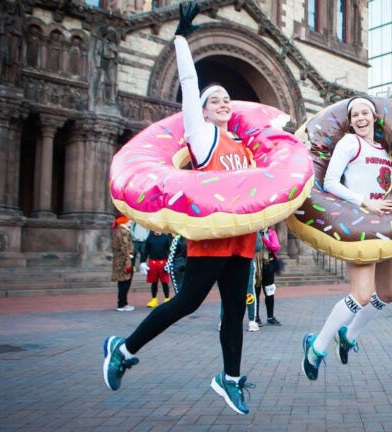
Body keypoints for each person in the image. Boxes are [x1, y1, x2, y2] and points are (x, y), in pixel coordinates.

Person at [103, 2, 257, 415]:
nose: (223, 102)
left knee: (234, 311)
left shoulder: (245, 147)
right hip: (211, 237)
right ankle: (123, 349)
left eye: (227, 99)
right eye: (215, 100)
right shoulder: (202, 138)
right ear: (203, 111)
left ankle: (230, 379)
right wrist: (181, 39)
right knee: (187, 302)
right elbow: (189, 83)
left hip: (242, 240)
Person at [301, 95, 392, 381]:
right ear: (351, 121)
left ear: (374, 117)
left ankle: (348, 336)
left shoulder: (386, 150)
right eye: (355, 115)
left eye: (365, 113)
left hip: (386, 226)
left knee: (387, 294)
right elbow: (330, 182)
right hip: (359, 224)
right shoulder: (349, 143)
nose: (360, 118)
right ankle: (316, 347)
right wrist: (364, 202)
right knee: (362, 294)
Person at [255, 226, 284, 326]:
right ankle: (255, 317)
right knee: (256, 293)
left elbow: (275, 247)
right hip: (256, 266)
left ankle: (270, 317)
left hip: (268, 266)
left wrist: (264, 239)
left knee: (269, 292)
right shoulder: (254, 232)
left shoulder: (271, 233)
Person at [140, 231, 173, 308]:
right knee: (154, 282)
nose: (157, 230)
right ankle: (154, 300)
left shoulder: (166, 238)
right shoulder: (150, 238)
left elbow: (170, 250)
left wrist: (171, 261)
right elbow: (146, 250)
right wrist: (142, 261)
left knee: (165, 282)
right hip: (153, 263)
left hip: (163, 262)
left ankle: (167, 299)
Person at [112, 215, 135, 312]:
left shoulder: (119, 230)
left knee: (122, 283)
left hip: (120, 260)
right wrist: (128, 262)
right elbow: (125, 247)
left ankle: (123, 303)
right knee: (125, 283)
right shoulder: (123, 231)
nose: (130, 222)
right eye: (129, 220)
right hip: (124, 261)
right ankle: (122, 304)